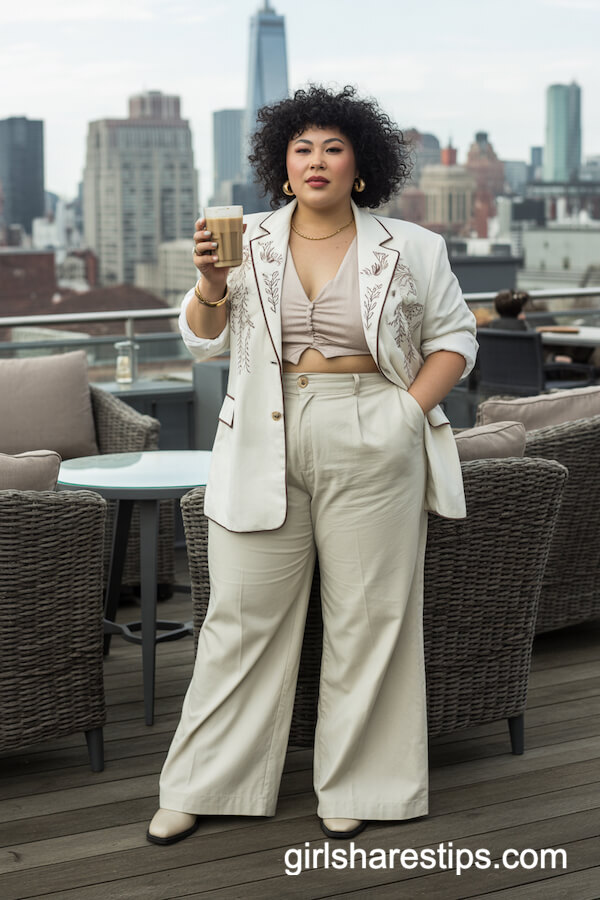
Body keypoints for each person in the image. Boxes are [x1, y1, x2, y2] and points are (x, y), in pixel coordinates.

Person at [147, 85, 478, 845]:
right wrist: (208, 285)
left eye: (333, 146)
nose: (317, 160)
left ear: (360, 163)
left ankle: (360, 783)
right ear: (282, 165)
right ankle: (204, 783)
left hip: (373, 427)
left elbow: (456, 340)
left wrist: (402, 415)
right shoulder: (248, 239)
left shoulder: (413, 246)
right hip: (262, 432)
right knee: (237, 620)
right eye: (302, 148)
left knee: (370, 620)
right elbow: (201, 341)